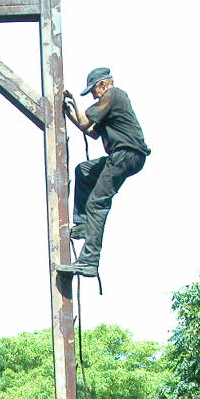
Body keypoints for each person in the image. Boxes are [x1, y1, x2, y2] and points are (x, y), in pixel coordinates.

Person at [57, 67, 150, 278]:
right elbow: (90, 132)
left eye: (93, 91)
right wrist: (70, 112)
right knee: (85, 170)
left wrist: (73, 99)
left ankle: (89, 262)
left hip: (126, 154)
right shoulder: (108, 106)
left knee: (97, 203)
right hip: (124, 156)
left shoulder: (114, 94)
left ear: (104, 84)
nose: (93, 95)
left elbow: (85, 121)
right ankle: (82, 225)